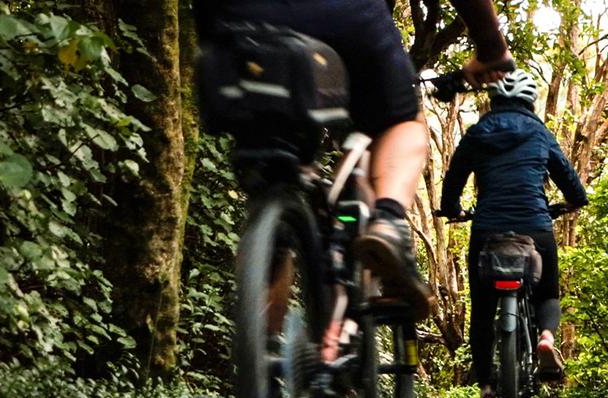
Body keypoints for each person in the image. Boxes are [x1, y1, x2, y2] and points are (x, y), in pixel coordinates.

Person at [193, 0, 513, 321]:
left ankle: (263, 355)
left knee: (275, 171)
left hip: (234, 24)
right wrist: (491, 48)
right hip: (345, 17)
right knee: (400, 123)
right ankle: (387, 221)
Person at [437, 70, 588, 398]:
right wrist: (571, 203)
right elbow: (573, 186)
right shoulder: (539, 132)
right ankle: (546, 338)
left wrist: (453, 210)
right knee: (548, 293)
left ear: (493, 99)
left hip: (487, 230)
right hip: (535, 227)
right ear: (529, 101)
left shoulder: (477, 133)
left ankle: (488, 390)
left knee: (482, 310)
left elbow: (454, 179)